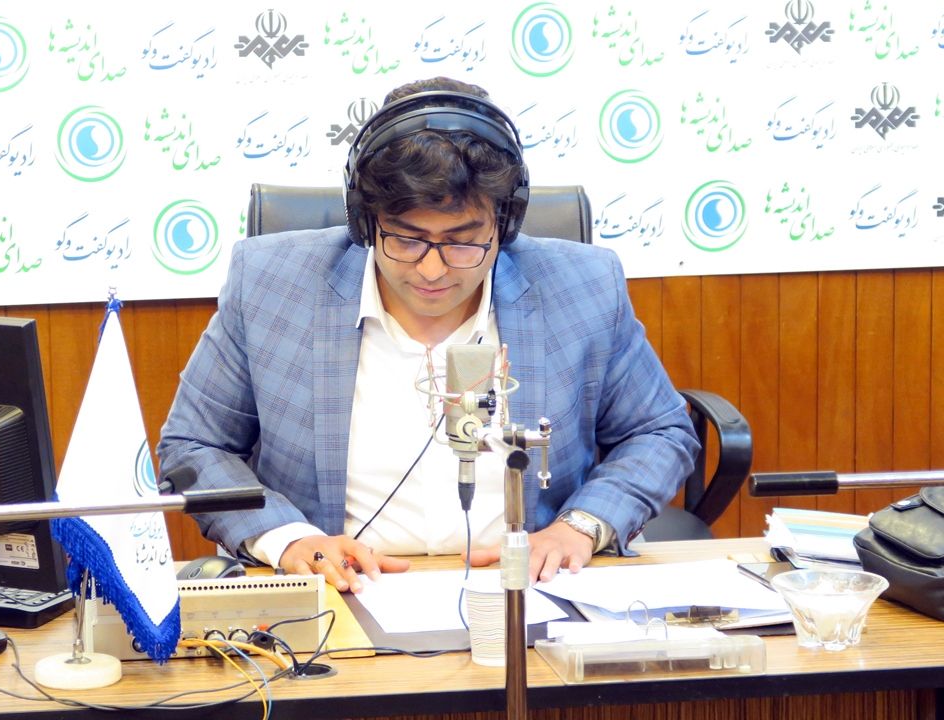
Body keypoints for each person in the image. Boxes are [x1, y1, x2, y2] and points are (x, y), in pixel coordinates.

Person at [158, 76, 699, 594]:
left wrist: (578, 528)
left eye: (463, 241)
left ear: (505, 222)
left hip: (532, 590)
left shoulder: (584, 286)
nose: (433, 270)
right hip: (340, 594)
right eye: (407, 240)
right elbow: (194, 446)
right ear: (364, 220)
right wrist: (290, 539)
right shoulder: (271, 283)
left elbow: (659, 432)